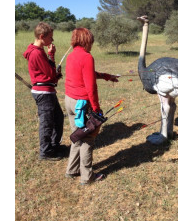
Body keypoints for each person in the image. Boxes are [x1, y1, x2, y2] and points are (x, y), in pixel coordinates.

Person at [64, 28, 119, 185]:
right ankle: (87, 177)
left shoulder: (72, 55)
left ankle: (72, 170)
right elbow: (90, 87)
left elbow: (87, 73)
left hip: (69, 100)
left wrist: (105, 76)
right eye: (91, 42)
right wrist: (96, 109)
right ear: (86, 41)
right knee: (88, 138)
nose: (92, 45)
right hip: (82, 103)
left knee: (77, 135)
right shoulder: (87, 57)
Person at [23, 22, 64, 161]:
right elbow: (50, 74)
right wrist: (51, 56)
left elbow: (49, 73)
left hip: (47, 90)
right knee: (47, 123)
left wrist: (53, 74)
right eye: (50, 38)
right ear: (42, 36)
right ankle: (45, 152)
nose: (52, 41)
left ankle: (54, 145)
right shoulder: (36, 53)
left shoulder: (38, 51)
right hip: (44, 93)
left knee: (58, 118)